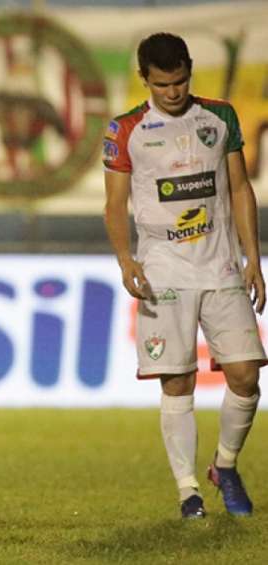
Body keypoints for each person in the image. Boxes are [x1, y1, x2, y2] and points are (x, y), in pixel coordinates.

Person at [103, 32, 264, 519]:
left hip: (219, 267)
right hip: (163, 273)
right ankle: (188, 491)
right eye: (162, 85)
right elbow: (114, 204)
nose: (173, 92)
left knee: (246, 376)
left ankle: (225, 465)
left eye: (180, 81)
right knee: (177, 383)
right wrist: (125, 259)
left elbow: (239, 188)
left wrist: (252, 256)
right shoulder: (125, 128)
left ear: (190, 70)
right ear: (144, 80)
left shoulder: (220, 117)